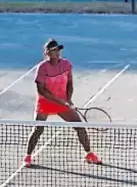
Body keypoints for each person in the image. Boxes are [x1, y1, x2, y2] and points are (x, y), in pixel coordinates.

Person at [24, 39, 101, 167]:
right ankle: (27, 156)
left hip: (63, 102)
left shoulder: (66, 64)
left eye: (58, 49)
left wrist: (68, 99)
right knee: (38, 129)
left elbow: (70, 83)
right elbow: (41, 91)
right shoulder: (42, 68)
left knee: (80, 127)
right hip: (45, 102)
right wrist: (59, 101)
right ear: (47, 53)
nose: (58, 52)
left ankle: (89, 154)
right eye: (54, 50)